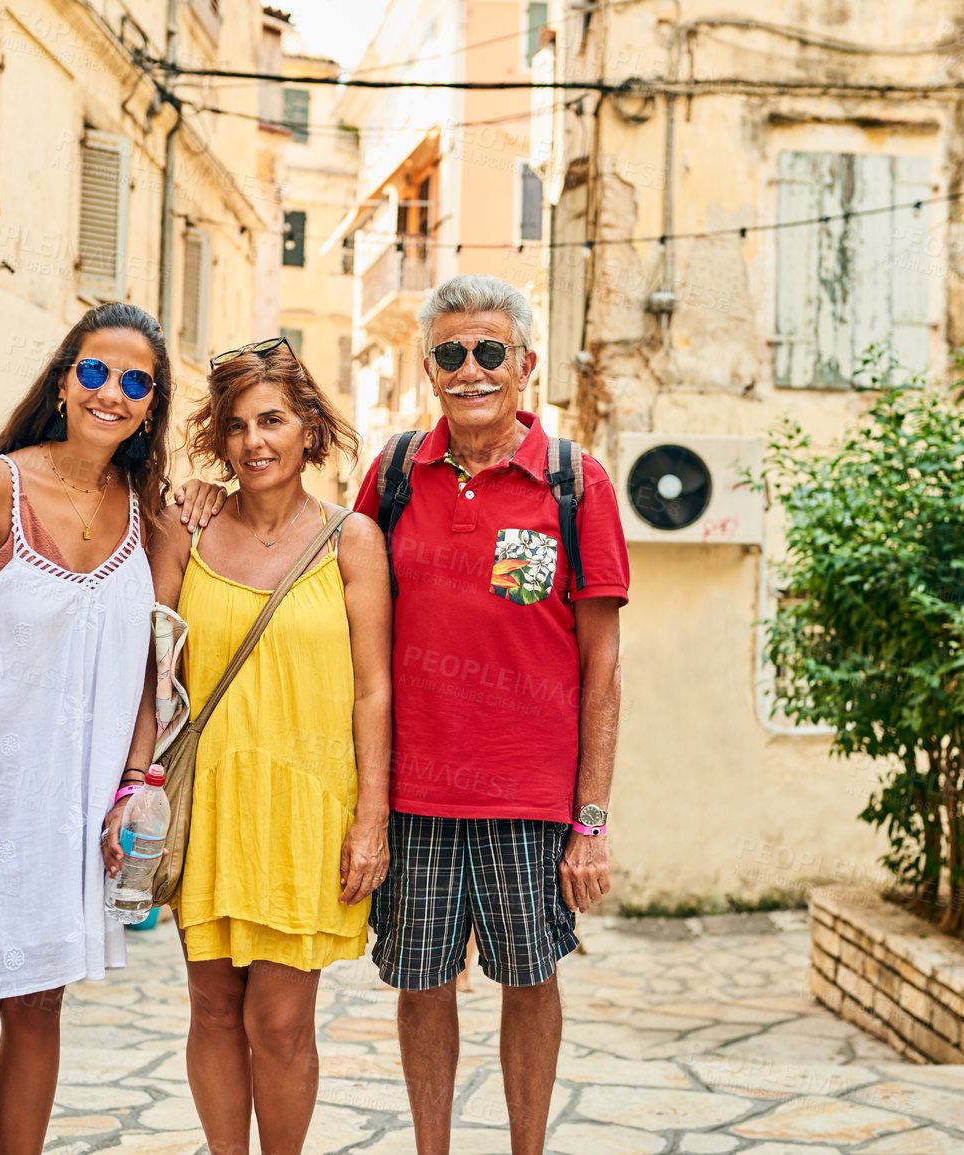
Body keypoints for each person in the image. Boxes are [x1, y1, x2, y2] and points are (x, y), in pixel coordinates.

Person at [174, 276, 631, 1155]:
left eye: (488, 351)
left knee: (530, 981)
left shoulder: (576, 482)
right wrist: (200, 494)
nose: (470, 370)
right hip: (413, 790)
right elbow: (323, 581)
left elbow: (603, 669)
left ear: (525, 363)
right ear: (428, 367)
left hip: (528, 798)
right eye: (451, 354)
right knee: (423, 986)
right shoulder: (393, 472)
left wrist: (591, 819)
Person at [0, 303, 168, 1155]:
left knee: (41, 999)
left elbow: (155, 673)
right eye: (94, 371)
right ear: (63, 380)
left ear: (151, 406)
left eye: (135, 382)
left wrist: (134, 785)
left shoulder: (152, 512)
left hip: (75, 813)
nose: (111, 392)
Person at [146, 337, 392, 1155]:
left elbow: (372, 688)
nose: (255, 441)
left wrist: (372, 818)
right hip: (210, 804)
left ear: (308, 429)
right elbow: (150, 672)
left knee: (280, 1022)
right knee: (212, 1009)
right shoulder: (187, 528)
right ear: (219, 438)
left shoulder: (350, 539)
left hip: (308, 810)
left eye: (274, 420)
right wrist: (130, 789)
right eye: (238, 425)